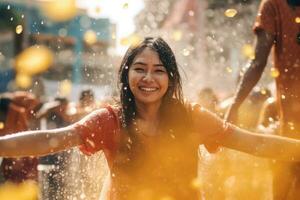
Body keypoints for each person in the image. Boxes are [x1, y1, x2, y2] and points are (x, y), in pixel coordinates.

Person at [1, 37, 300, 200]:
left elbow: (254, 143)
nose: (148, 78)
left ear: (170, 78)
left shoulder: (192, 118)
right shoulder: (109, 120)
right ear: (126, 74)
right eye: (140, 68)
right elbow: (52, 139)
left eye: (158, 70)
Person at [226, 0, 300, 198]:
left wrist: (234, 106)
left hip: (292, 132)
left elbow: (258, 62)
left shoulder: (272, 5)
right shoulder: (273, 6)